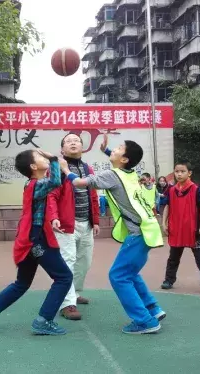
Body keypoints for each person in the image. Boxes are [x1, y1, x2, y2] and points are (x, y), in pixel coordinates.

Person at [65, 135, 167, 334]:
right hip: (146, 230)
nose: (115, 149)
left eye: (119, 148)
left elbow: (78, 182)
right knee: (130, 273)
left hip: (137, 234)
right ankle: (152, 309)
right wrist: (105, 150)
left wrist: (63, 168)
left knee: (118, 276)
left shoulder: (113, 176)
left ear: (125, 159)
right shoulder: (129, 172)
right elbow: (118, 158)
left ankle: (145, 321)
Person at [0, 150, 73, 335]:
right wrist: (53, 160)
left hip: (29, 240)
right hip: (37, 241)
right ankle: (44, 320)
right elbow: (56, 182)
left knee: (22, 283)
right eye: (40, 158)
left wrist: (55, 163)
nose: (46, 159)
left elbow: (56, 183)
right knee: (64, 277)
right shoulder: (37, 184)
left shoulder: (33, 184)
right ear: (34, 167)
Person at [46, 133, 100, 320]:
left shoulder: (88, 168)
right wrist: (53, 217)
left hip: (87, 223)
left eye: (76, 140)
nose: (73, 143)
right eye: (68, 141)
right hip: (66, 224)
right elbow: (51, 195)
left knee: (84, 262)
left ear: (82, 146)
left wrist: (96, 221)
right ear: (62, 149)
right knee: (67, 262)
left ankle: (74, 293)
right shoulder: (57, 169)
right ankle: (67, 303)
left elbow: (93, 195)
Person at [160, 161, 200, 295]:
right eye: (177, 171)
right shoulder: (172, 190)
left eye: (182, 171)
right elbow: (167, 206)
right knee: (173, 258)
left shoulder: (197, 190)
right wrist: (164, 223)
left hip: (194, 231)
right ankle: (169, 280)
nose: (179, 174)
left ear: (189, 173)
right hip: (177, 230)